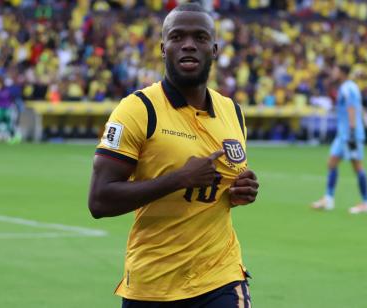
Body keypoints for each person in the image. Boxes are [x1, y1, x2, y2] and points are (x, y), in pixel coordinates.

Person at [88, 4, 259, 307]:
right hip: (153, 284)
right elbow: (100, 200)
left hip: (220, 275)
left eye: (200, 37)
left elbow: (218, 187)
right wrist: (179, 179)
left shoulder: (233, 112)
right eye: (178, 37)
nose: (189, 44)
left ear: (214, 49)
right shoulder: (138, 109)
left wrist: (239, 190)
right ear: (163, 48)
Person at [311, 65, 367, 214]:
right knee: (331, 163)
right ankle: (328, 199)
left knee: (357, 166)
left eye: (335, 70)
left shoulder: (348, 88)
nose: (333, 72)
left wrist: (352, 131)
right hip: (342, 135)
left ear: (342, 73)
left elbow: (352, 108)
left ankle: (366, 202)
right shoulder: (347, 87)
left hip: (350, 134)